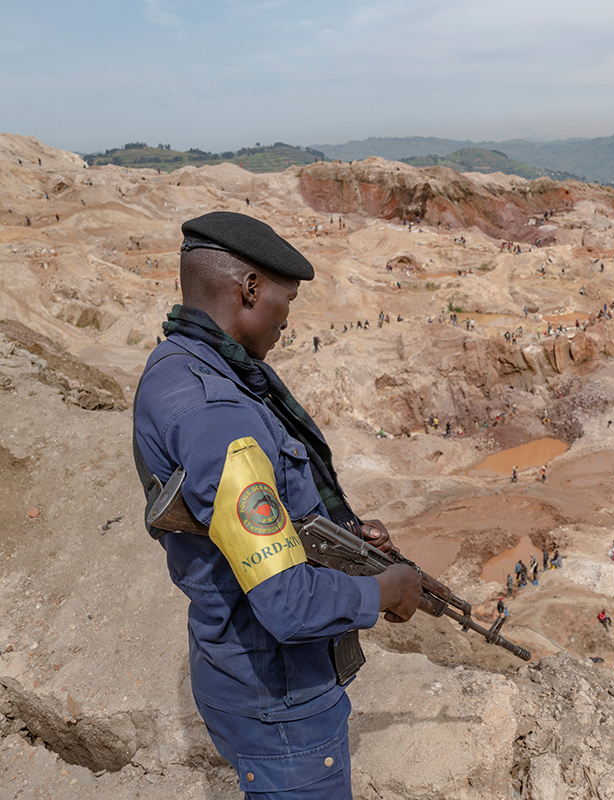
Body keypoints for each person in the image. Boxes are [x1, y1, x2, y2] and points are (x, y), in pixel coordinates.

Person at [133, 211, 422, 799]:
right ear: (249, 288)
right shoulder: (220, 413)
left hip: (239, 674)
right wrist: (384, 592)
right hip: (280, 702)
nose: (287, 323)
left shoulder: (182, 366)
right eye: (287, 303)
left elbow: (260, 521)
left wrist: (343, 540)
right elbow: (286, 603)